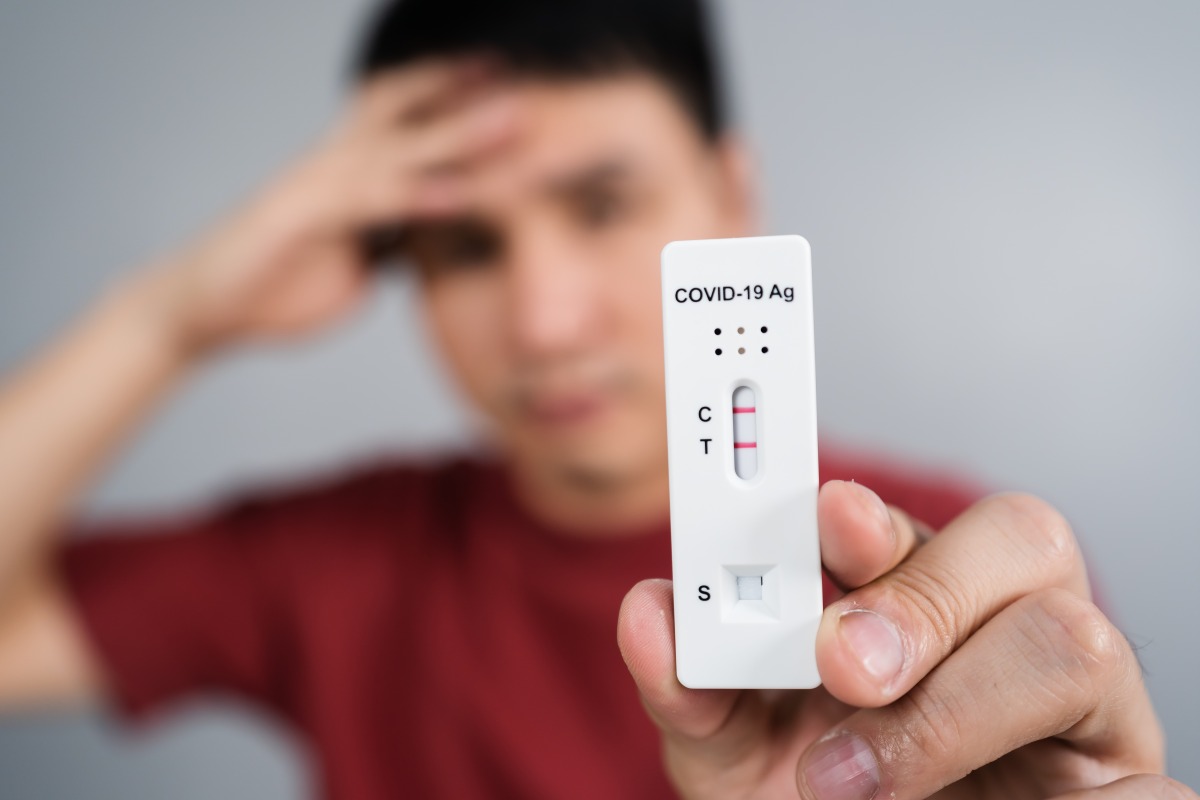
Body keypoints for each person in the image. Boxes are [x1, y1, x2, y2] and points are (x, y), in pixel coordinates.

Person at [0, 1, 1190, 798]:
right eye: (466, 246)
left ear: (731, 196)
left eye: (603, 204)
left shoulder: (952, 578)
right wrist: (167, 317)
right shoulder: (332, 561)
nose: (544, 320)